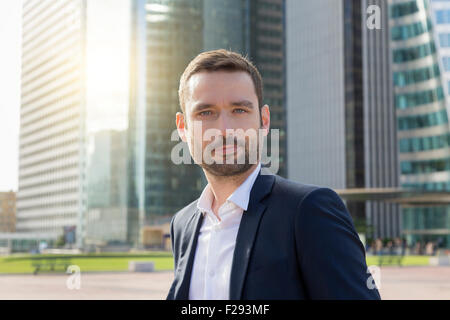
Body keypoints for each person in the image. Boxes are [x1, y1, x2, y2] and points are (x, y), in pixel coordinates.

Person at [166, 49, 381, 300]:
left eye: (239, 110)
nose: (224, 129)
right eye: (205, 113)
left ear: (264, 120)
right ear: (183, 128)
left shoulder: (309, 211)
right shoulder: (183, 224)